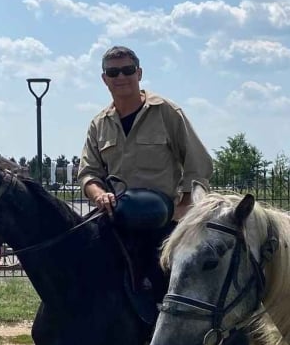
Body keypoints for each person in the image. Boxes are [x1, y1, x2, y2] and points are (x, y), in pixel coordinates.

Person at [79, 45, 214, 297]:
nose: (121, 77)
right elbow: (88, 173)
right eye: (113, 72)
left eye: (127, 70)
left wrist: (183, 206)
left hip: (164, 223)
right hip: (116, 220)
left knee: (171, 289)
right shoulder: (99, 124)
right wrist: (98, 194)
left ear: (139, 73)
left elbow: (199, 163)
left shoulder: (166, 112)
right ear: (104, 78)